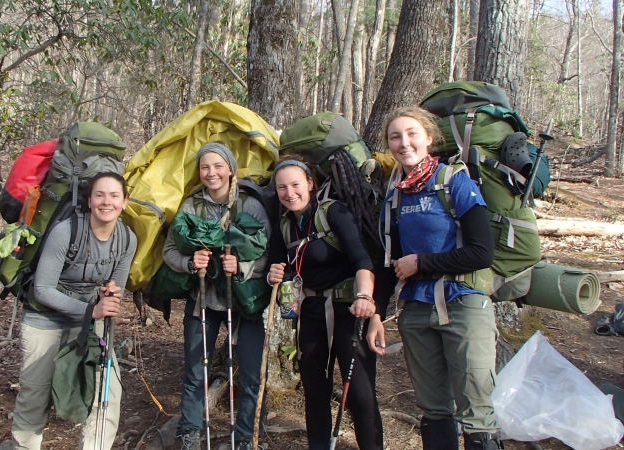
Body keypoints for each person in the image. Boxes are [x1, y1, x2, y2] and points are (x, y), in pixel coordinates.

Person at [374, 106, 500, 450]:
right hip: (416, 310)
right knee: (434, 409)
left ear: (429, 138)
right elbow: (390, 263)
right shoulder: (395, 195)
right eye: (395, 137)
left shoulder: (454, 181)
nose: (404, 143)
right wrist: (375, 315)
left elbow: (481, 253)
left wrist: (421, 263)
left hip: (463, 304)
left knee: (476, 409)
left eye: (412, 133)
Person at [7, 172, 137, 450]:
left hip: (91, 321)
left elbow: (118, 286)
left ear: (124, 202)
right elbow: (42, 289)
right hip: (45, 319)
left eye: (114, 196)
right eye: (99, 195)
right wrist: (91, 310)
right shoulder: (66, 231)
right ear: (89, 200)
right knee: (35, 396)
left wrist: (110, 296)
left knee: (107, 394)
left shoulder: (127, 239)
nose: (107, 202)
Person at [266, 155, 385, 450]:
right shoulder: (284, 224)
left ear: (310, 183)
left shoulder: (334, 212)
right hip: (310, 314)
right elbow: (276, 264)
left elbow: (361, 258)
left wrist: (365, 297)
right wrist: (274, 272)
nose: (289, 193)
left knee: (359, 393)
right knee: (315, 390)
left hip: (349, 310)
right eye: (282, 188)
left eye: (295, 184)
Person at [163, 142, 271, 450]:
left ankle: (249, 437)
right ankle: (189, 435)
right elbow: (169, 250)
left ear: (230, 169)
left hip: (246, 302)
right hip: (203, 301)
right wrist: (188, 263)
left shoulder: (250, 205)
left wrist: (243, 266)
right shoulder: (190, 206)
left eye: (218, 166)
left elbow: (268, 252)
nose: (211, 173)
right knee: (197, 371)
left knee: (251, 373)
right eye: (205, 167)